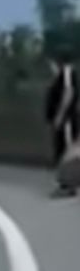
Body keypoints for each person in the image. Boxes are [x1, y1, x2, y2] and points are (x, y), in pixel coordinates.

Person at [44, 57, 80, 197]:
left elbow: (69, 93)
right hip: (63, 121)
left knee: (67, 151)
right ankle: (66, 184)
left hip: (67, 121)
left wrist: (60, 115)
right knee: (61, 151)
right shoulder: (60, 75)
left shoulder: (67, 72)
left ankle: (69, 186)